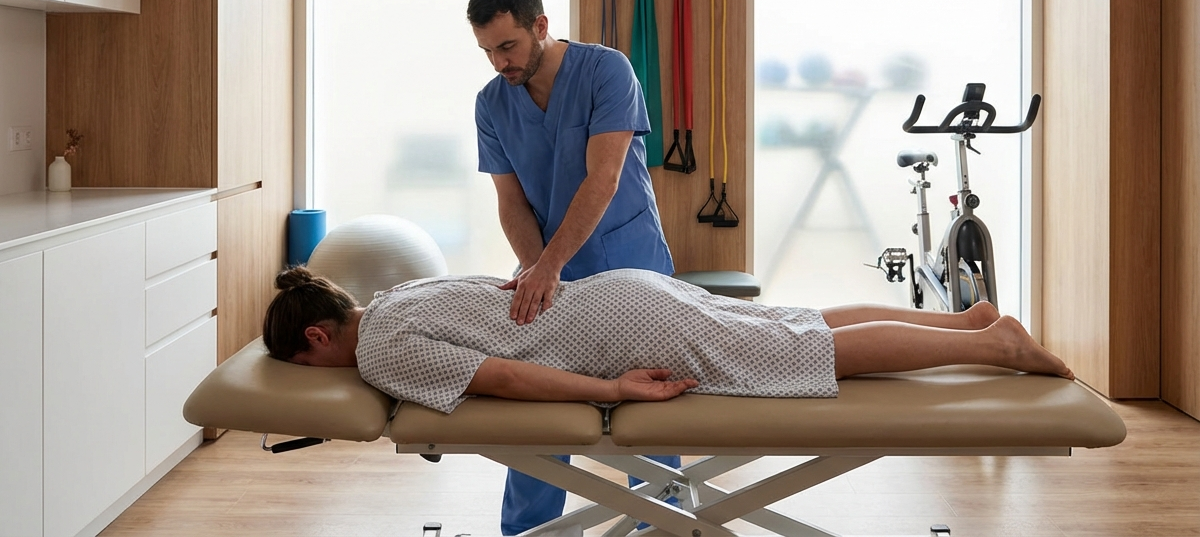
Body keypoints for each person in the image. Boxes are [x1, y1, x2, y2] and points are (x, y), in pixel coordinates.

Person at [263, 267, 1075, 416]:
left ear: (316, 336)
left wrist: (614, 393)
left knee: (803, 355)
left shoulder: (379, 350)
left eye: (304, 365)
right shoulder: (399, 293)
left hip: (627, 328)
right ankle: (966, 321)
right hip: (622, 292)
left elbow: (505, 378)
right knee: (793, 321)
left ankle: (996, 348)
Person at [466, 0, 677, 533]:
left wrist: (548, 266)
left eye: (507, 46)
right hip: (545, 269)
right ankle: (529, 532)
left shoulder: (607, 70)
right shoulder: (492, 103)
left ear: (541, 25)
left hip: (629, 262)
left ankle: (663, 527)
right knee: (538, 420)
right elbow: (510, 202)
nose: (498, 63)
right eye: (487, 51)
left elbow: (602, 179)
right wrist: (538, 271)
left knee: (646, 419)